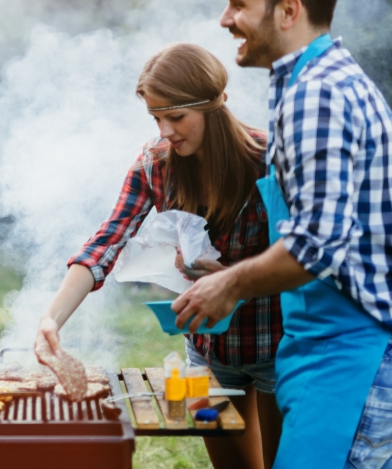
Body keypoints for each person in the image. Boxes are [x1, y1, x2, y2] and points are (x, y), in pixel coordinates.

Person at [174, 0, 392, 469]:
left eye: (238, 5)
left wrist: (228, 284)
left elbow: (317, 244)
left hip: (356, 357)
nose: (225, 19)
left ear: (288, 11)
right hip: (345, 353)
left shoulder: (317, 94)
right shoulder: (313, 81)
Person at [35, 43, 283, 469]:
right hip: (204, 355)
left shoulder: (269, 159)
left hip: (275, 347)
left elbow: (301, 257)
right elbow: (107, 240)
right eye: (155, 118)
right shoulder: (155, 162)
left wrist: (230, 276)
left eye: (176, 116)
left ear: (215, 103)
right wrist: (51, 319)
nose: (165, 131)